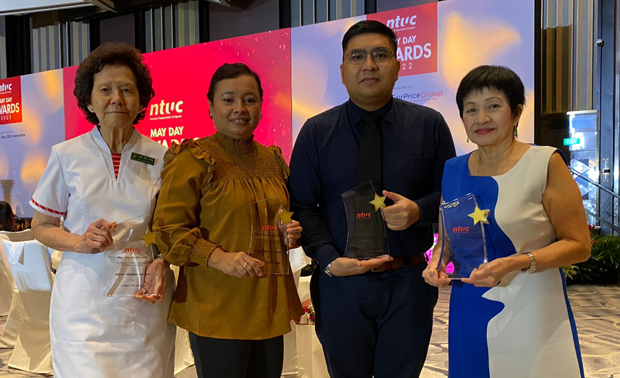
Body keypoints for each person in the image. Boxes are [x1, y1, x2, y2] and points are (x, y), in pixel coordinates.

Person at [288, 20, 456, 378]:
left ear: (397, 66)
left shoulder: (429, 125)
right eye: (357, 57)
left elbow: (450, 194)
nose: (369, 65)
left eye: (380, 55)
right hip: (341, 285)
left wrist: (419, 211)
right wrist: (331, 260)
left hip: (408, 282)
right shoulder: (316, 133)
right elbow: (303, 207)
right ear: (343, 71)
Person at [423, 65, 590, 378]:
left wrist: (515, 263)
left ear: (516, 113)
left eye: (493, 106)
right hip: (468, 308)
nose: (481, 118)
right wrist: (436, 263)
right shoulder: (453, 169)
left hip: (531, 308)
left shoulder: (544, 162)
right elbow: (450, 241)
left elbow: (579, 246)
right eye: (471, 109)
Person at [30, 42, 175, 378]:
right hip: (83, 305)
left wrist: (162, 258)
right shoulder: (67, 155)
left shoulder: (161, 156)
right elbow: (42, 225)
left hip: (144, 299)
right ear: (89, 100)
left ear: (141, 99)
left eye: (127, 89)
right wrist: (79, 241)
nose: (117, 99)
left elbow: (166, 227)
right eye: (106, 89)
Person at [152, 62, 303, 378]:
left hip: (268, 303)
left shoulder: (273, 160)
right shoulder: (194, 158)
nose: (240, 109)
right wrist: (216, 256)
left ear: (261, 106)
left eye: (249, 100)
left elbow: (284, 210)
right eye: (228, 99)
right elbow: (167, 230)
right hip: (217, 306)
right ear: (210, 107)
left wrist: (287, 227)